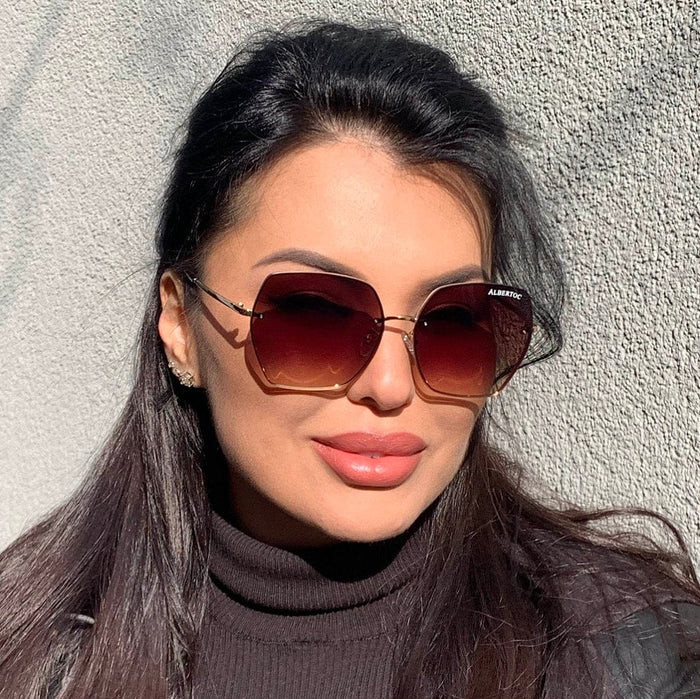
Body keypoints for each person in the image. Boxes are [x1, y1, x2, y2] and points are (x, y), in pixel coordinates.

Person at [1, 20, 699, 699]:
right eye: (314, 315)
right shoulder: (32, 645)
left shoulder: (630, 656)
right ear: (181, 323)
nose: (391, 386)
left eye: (454, 322)